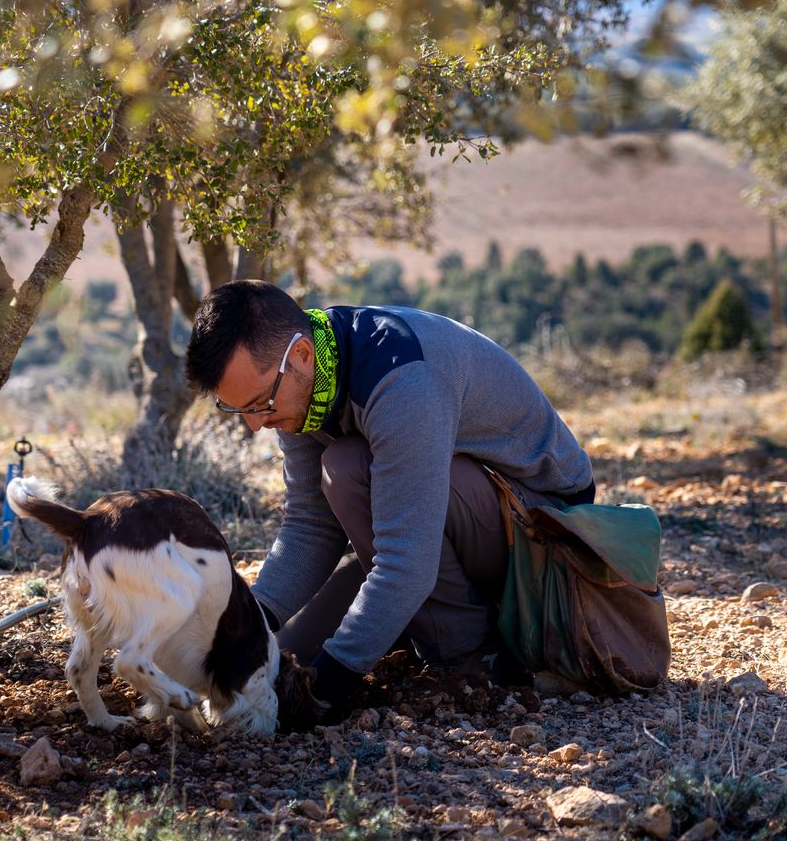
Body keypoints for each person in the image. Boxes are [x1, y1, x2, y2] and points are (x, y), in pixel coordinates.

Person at [184, 280, 596, 721]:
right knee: (283, 656)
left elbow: (408, 563)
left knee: (347, 468)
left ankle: (471, 654)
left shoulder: (403, 380)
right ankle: (417, 622)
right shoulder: (303, 385)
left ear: (301, 354)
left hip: (546, 537)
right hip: (442, 531)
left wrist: (331, 682)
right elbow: (310, 525)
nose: (255, 424)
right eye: (238, 409)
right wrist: (248, 622)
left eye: (260, 403)